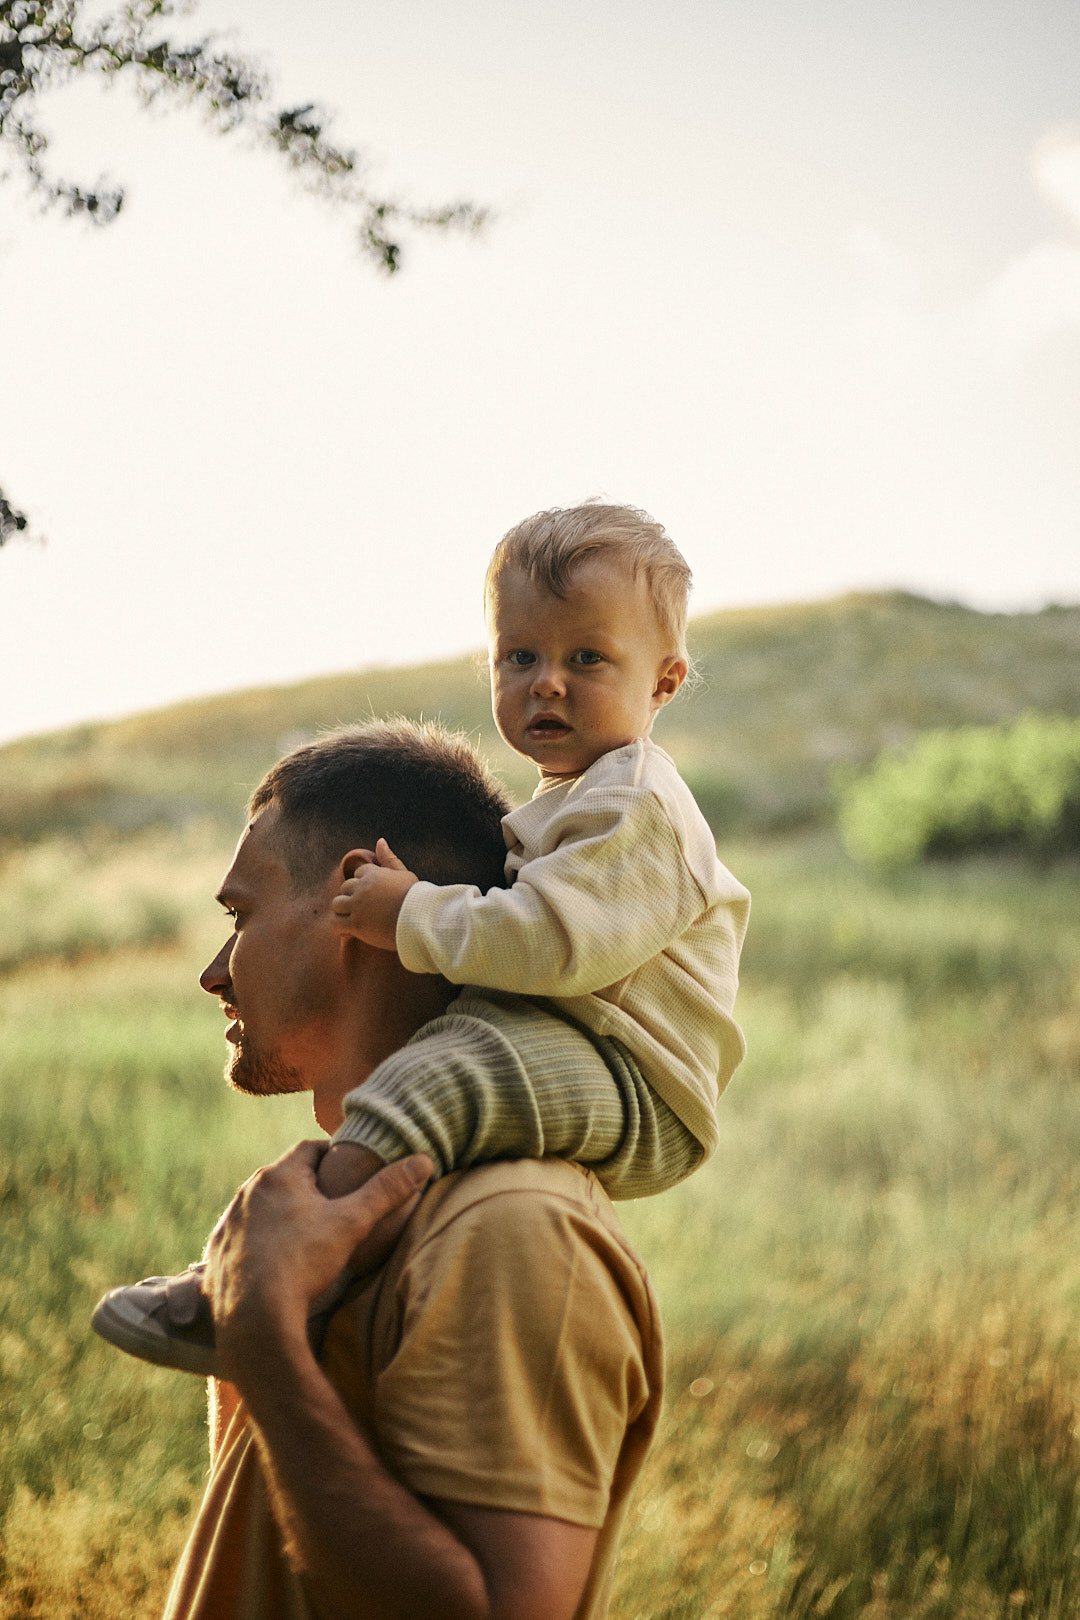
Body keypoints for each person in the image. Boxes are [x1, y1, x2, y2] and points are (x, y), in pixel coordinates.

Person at [92, 502, 750, 1376]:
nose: (546, 681)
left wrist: (410, 912)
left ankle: (258, 1288)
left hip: (640, 1077)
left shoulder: (637, 805)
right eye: (520, 656)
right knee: (443, 1068)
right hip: (588, 1045)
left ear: (664, 682)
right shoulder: (572, 801)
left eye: (585, 656)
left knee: (444, 1071)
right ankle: (307, 1268)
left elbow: (555, 945)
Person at [152, 722, 664, 1620]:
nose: (213, 972)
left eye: (240, 917)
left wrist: (265, 1345)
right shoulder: (323, 1212)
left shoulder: (512, 1230)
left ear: (356, 895)